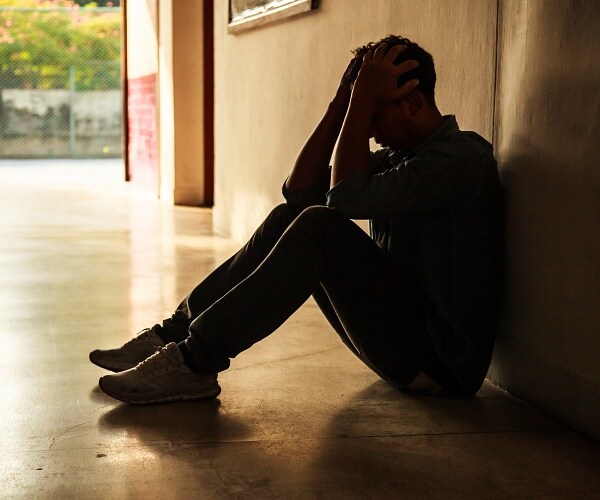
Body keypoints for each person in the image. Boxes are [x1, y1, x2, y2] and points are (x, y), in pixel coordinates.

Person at [90, 35, 503, 404]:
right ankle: (176, 334)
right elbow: (299, 191)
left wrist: (360, 103)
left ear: (413, 102)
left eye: (373, 115)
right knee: (292, 214)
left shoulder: (459, 160)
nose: (369, 132)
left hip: (442, 366)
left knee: (320, 226)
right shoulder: (404, 159)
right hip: (403, 342)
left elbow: (341, 200)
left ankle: (196, 362)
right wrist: (341, 103)